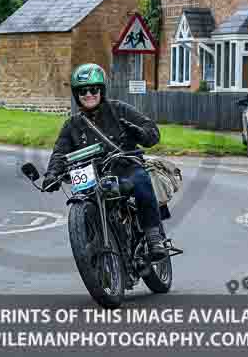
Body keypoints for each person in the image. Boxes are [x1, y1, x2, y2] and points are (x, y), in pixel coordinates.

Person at [41, 63, 168, 261]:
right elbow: (60, 153)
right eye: (83, 91)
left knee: (141, 180)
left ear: (101, 90)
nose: (88, 94)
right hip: (91, 177)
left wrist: (139, 132)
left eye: (94, 89)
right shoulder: (72, 124)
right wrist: (52, 175)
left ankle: (153, 236)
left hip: (124, 167)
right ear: (76, 95)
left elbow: (151, 132)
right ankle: (91, 246)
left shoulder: (119, 109)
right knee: (83, 204)